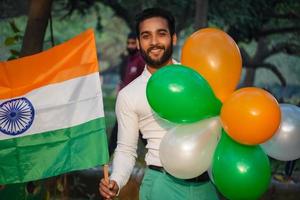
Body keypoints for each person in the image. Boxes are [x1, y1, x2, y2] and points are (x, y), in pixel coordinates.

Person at [99, 8, 219, 200]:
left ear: (173, 38)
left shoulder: (196, 80)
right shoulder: (129, 95)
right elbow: (126, 150)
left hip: (206, 186)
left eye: (161, 34)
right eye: (146, 36)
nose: (154, 42)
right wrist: (116, 180)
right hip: (161, 185)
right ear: (138, 43)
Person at [108, 32, 145, 156]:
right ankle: (105, 160)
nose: (130, 46)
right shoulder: (127, 60)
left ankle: (162, 162)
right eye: (128, 43)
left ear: (139, 44)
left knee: (146, 136)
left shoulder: (141, 60)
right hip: (126, 104)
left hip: (139, 104)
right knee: (116, 133)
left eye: (133, 43)